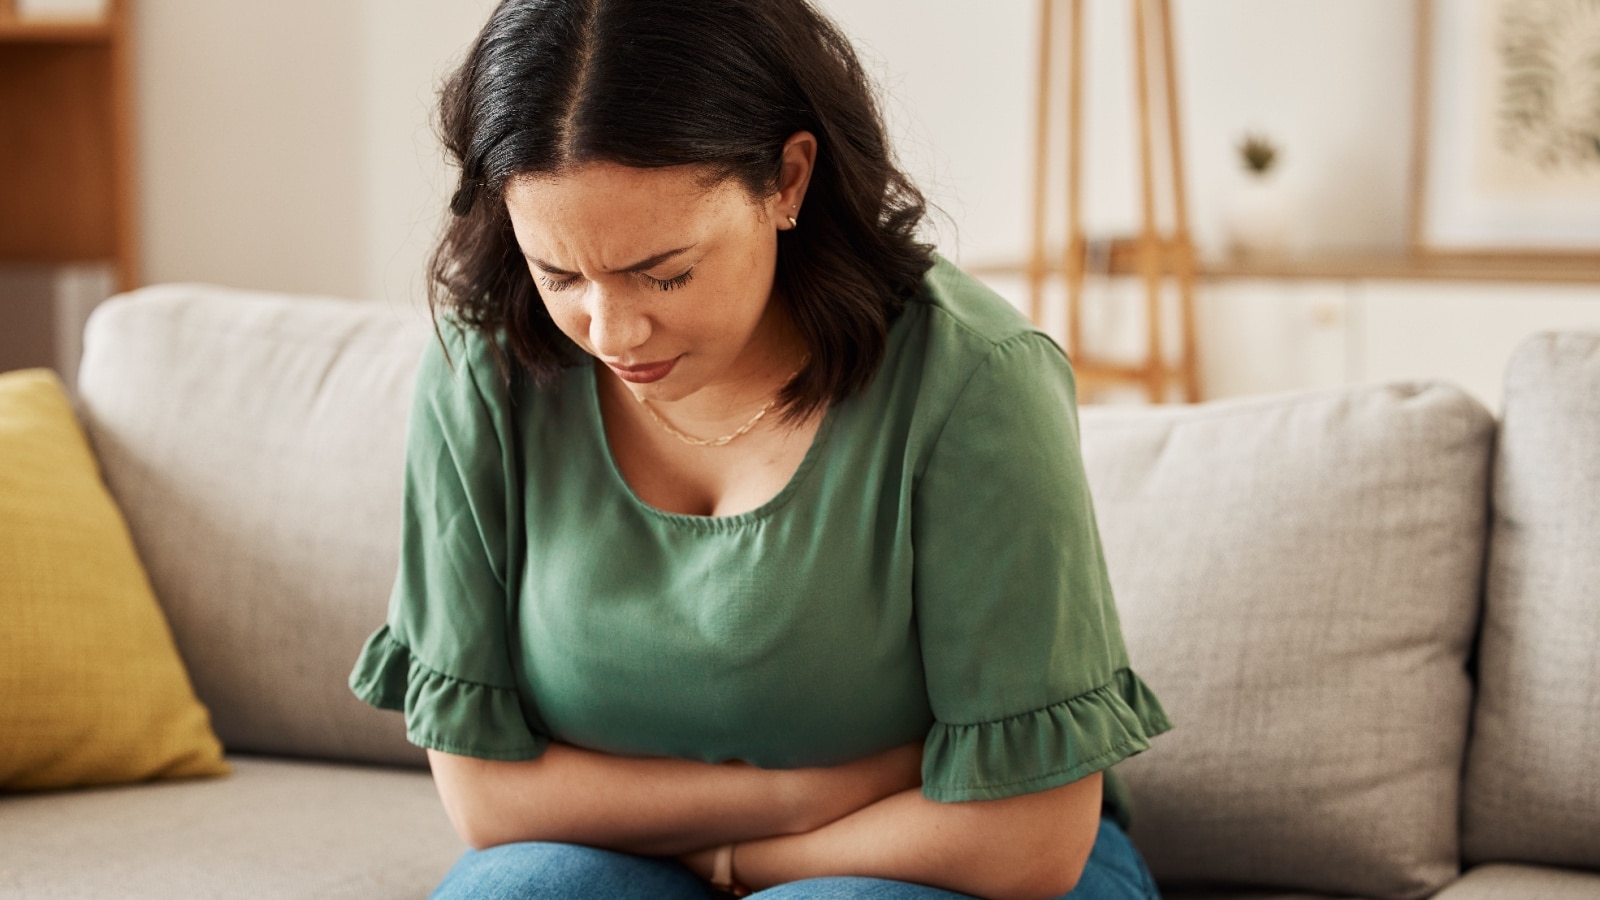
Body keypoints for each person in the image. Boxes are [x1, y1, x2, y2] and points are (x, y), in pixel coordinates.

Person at [348, 0, 1173, 897]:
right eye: (561, 274)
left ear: (787, 179)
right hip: (647, 859)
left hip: (949, 865)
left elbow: (1030, 839)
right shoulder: (487, 369)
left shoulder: (974, 381)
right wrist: (798, 798)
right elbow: (487, 802)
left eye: (664, 271)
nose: (612, 330)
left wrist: (744, 868)